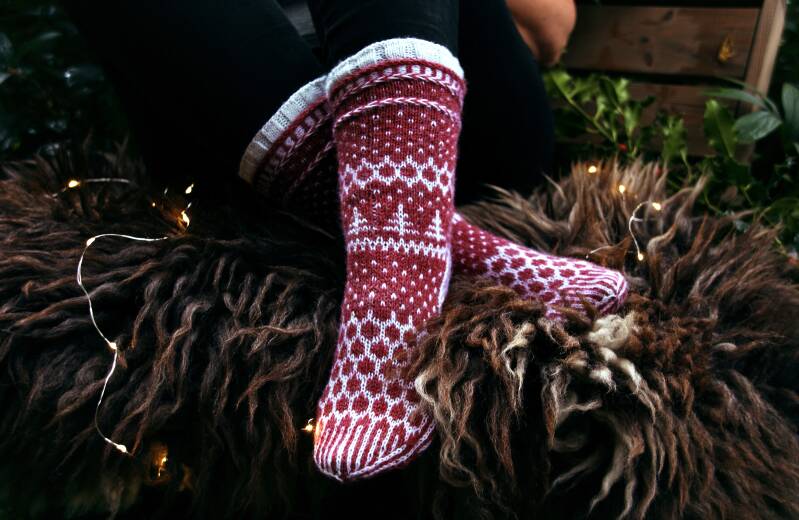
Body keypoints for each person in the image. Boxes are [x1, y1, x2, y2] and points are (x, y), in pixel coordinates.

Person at [63, 0, 626, 482]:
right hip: (229, 150)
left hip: (466, 134)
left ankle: (393, 285)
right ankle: (433, 246)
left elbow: (550, 28)